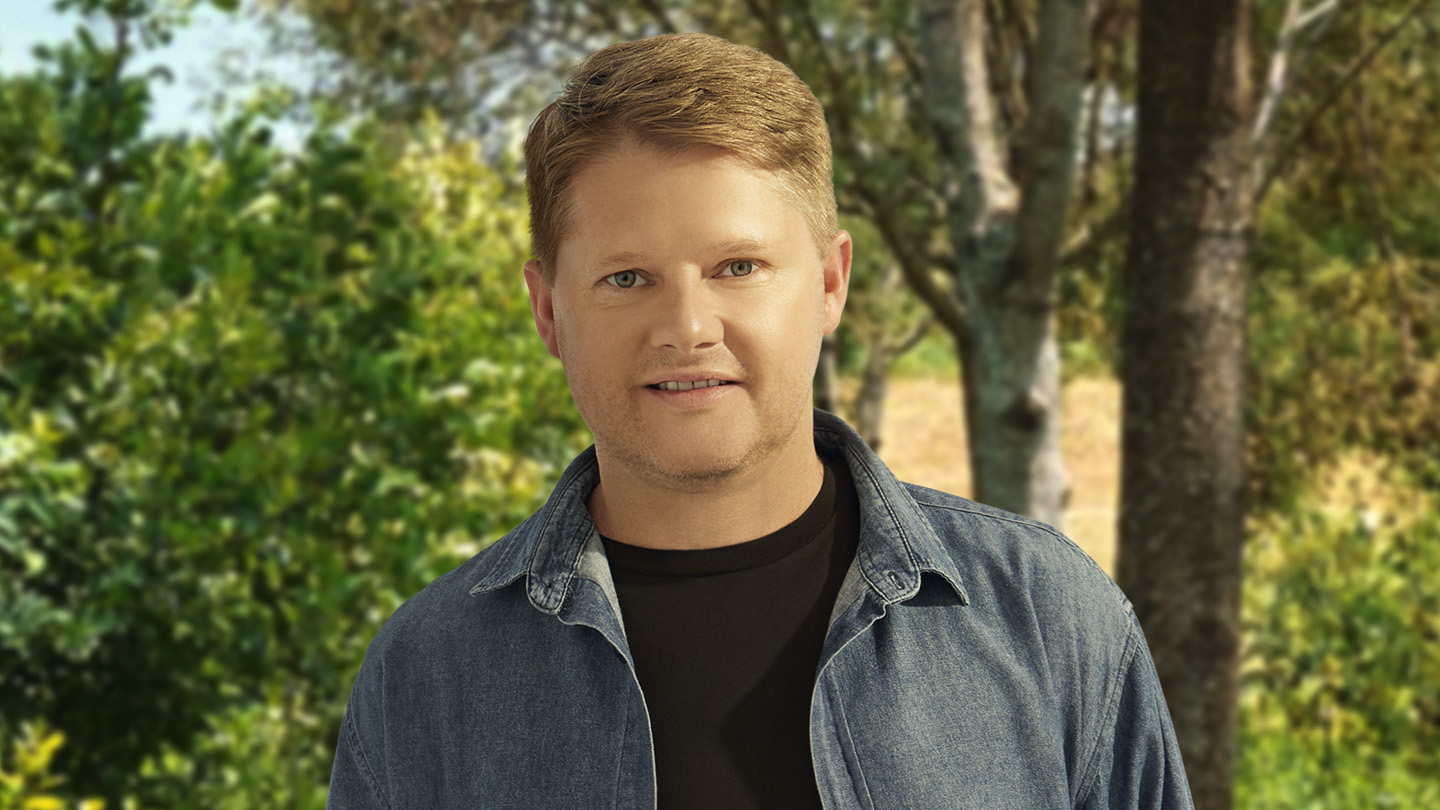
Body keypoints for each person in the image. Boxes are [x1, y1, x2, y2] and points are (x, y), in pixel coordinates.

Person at [325, 32, 1193, 810]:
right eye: (627, 278)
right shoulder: (424, 678)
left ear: (828, 283)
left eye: (737, 266)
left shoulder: (1048, 620)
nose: (689, 327)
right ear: (548, 311)